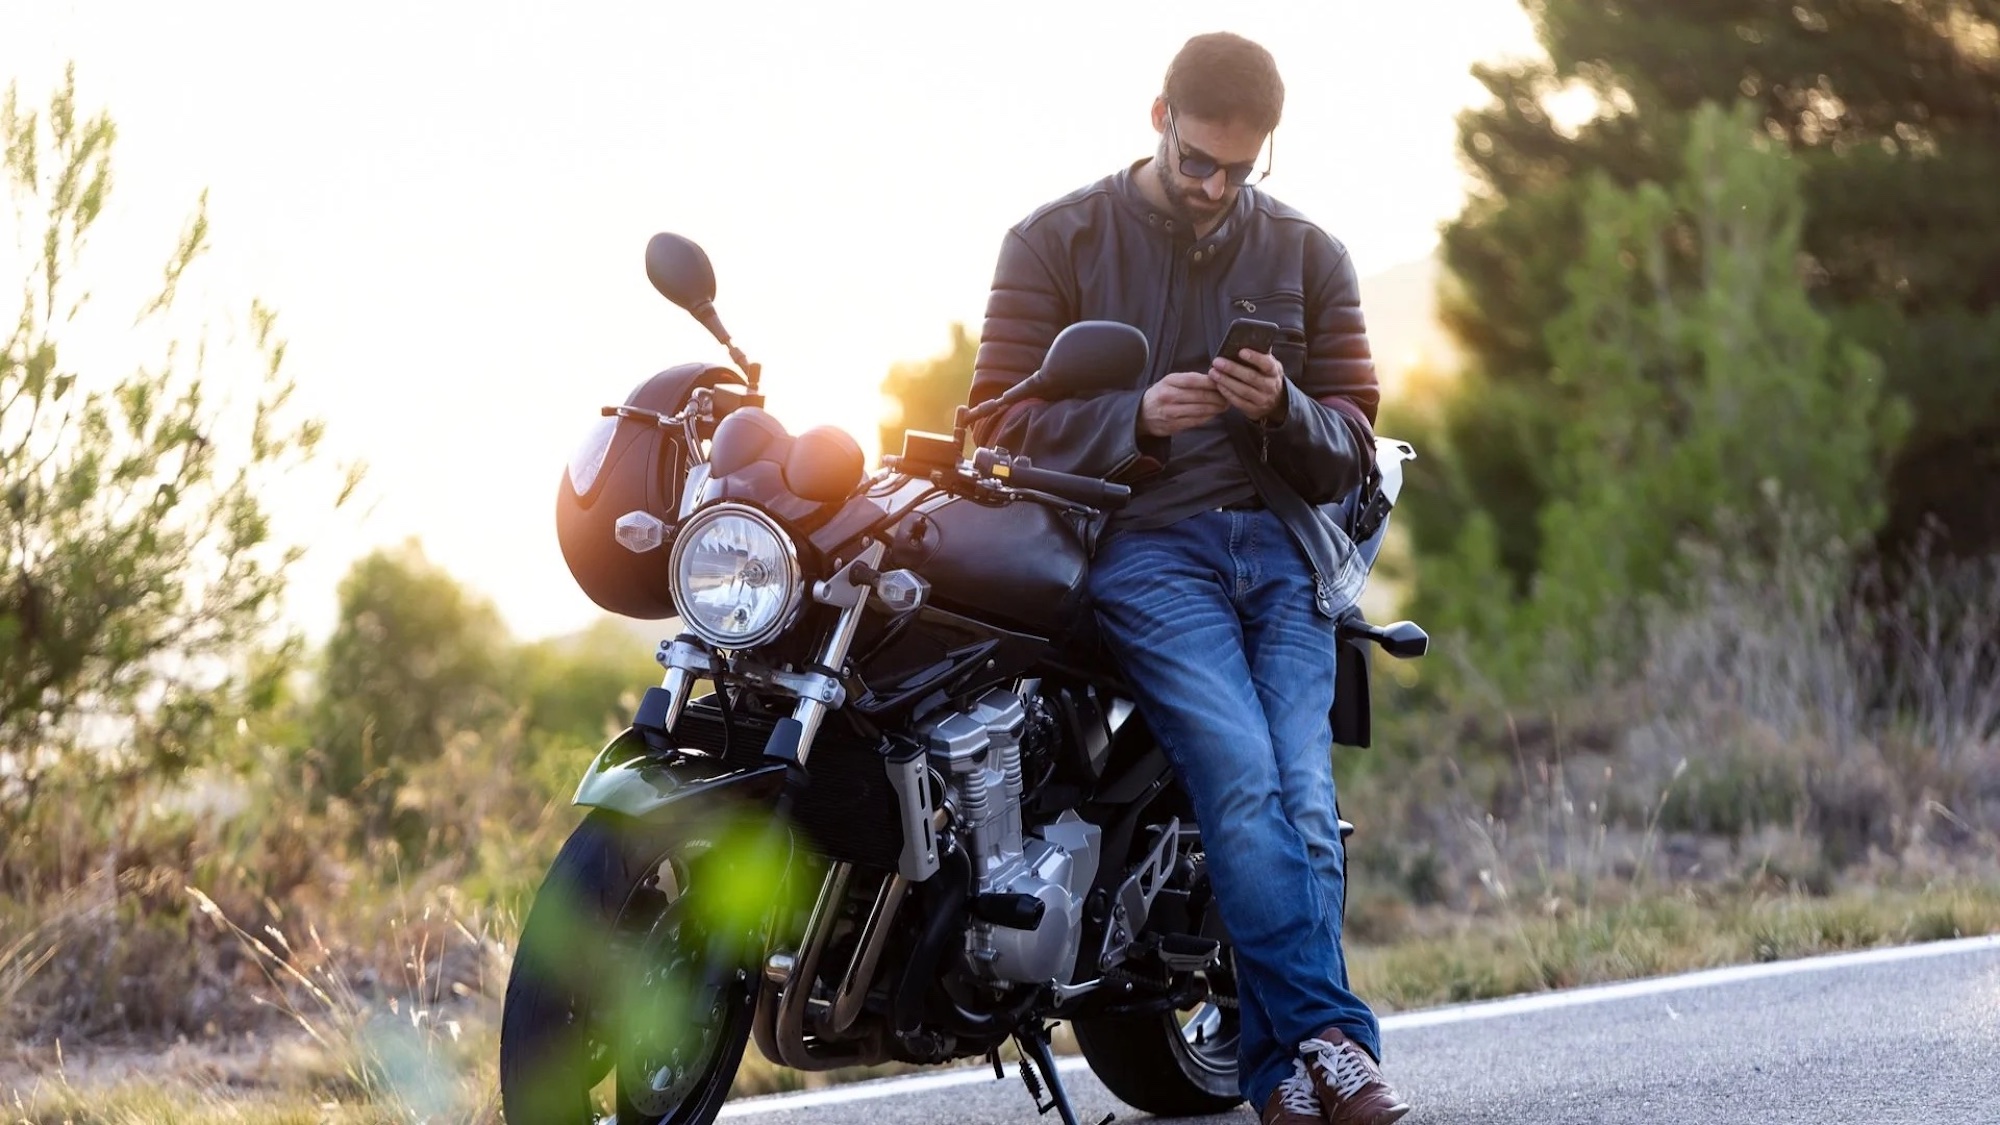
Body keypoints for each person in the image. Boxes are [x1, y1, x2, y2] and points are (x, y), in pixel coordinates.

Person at [965, 30, 1409, 1125]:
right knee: (1242, 776)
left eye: (1238, 171)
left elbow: (1353, 438)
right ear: (1154, 115)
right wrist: (1131, 418)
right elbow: (988, 427)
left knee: (1303, 801)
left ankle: (1273, 1080)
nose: (1214, 188)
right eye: (1196, 161)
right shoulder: (1052, 239)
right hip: (1144, 550)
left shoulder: (1309, 254)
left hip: (1282, 553)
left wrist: (1281, 411)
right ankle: (1331, 1047)